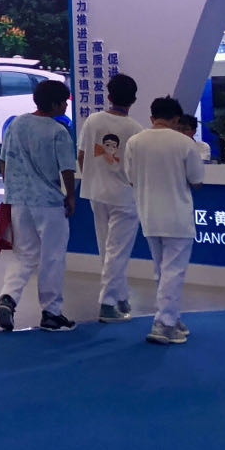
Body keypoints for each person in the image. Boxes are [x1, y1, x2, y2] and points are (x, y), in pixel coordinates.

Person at [0, 79, 78, 333]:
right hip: (49, 203)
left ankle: (8, 298)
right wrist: (70, 197)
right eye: (63, 102)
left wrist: (12, 188)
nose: (65, 106)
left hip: (19, 201)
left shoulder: (16, 124)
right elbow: (67, 169)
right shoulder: (58, 132)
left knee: (24, 255)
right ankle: (51, 313)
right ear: (54, 103)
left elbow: (3, 160)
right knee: (52, 257)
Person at [125, 96, 205, 345]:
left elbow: (130, 178)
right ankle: (164, 323)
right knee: (173, 271)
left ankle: (171, 316)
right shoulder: (185, 143)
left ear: (152, 117)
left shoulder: (134, 142)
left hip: (149, 214)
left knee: (161, 270)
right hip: (177, 216)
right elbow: (197, 180)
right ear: (176, 119)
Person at [76, 72, 143, 323]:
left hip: (96, 193)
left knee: (107, 249)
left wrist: (93, 177)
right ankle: (107, 302)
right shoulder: (136, 129)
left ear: (109, 95)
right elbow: (137, 170)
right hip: (124, 196)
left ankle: (121, 296)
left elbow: (82, 155)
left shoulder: (93, 121)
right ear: (133, 99)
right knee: (117, 251)